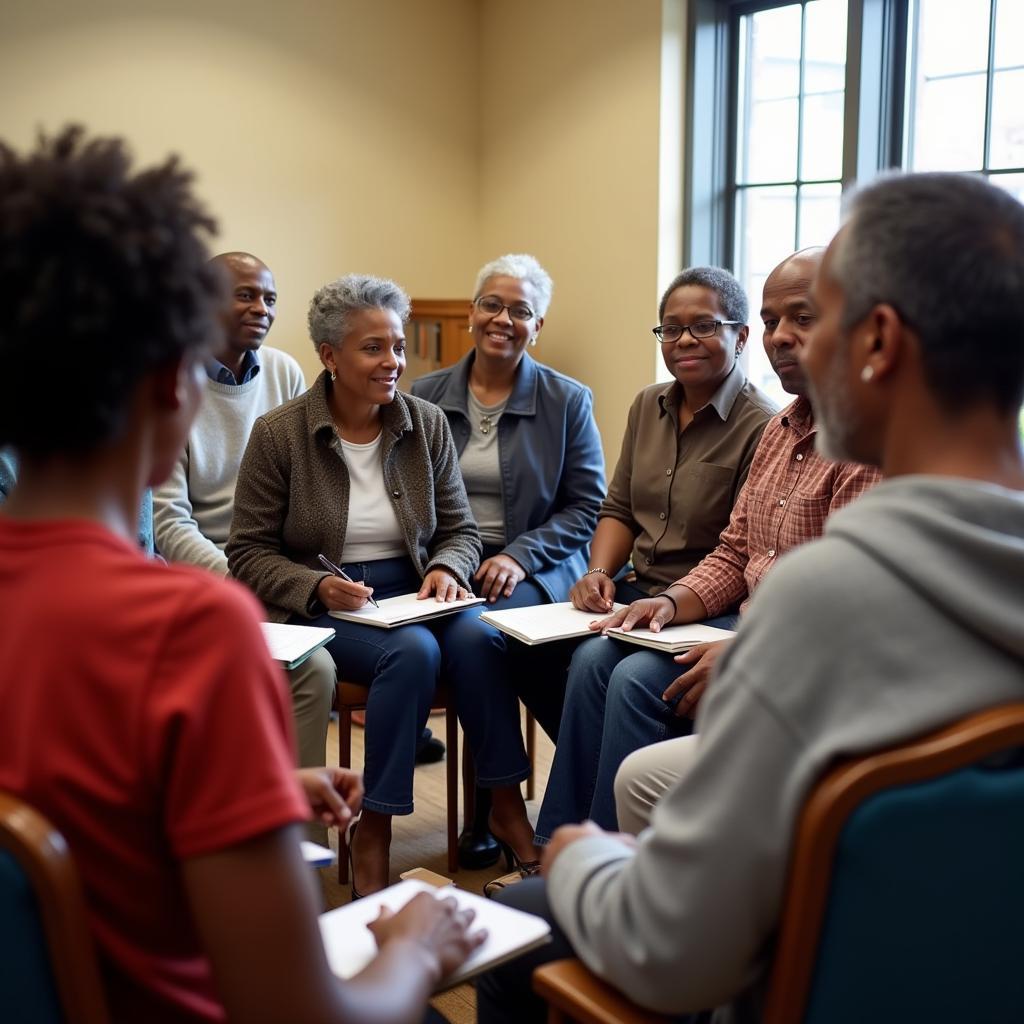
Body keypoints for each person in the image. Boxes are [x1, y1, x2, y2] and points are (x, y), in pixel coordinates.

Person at [478, 170, 1024, 1024]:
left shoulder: (831, 595)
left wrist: (582, 858)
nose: (787, 345)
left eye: (817, 320)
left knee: (499, 933)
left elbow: (670, 951)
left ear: (876, 342)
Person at [0, 126, 481, 1024]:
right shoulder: (187, 630)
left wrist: (244, 793)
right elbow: (304, 1013)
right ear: (175, 387)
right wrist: (417, 947)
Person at [227, 273, 539, 897]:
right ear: (330, 356)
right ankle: (376, 828)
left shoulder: (424, 423)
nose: (393, 362)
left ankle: (506, 804)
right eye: (374, 348)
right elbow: (247, 552)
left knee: (480, 639)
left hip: (416, 589)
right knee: (414, 652)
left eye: (397, 347)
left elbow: (460, 529)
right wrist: (314, 587)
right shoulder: (280, 433)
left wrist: (449, 566)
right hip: (329, 599)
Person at [535, 264, 799, 838]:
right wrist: (598, 572)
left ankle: (606, 852)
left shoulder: (765, 424)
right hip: (648, 594)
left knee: (611, 672)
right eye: (670, 329)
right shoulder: (647, 405)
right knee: (528, 652)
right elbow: (620, 508)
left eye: (702, 327)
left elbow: (738, 556)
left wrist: (677, 605)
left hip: (716, 610)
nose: (683, 341)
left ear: (739, 337)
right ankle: (559, 839)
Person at [411, 252, 606, 866]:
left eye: (520, 310)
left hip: (537, 571)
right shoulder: (423, 395)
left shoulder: (567, 400)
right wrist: (446, 558)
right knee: (473, 638)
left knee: (479, 636)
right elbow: (409, 499)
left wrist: (520, 557)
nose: (503, 319)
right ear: (471, 313)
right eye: (492, 304)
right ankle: (505, 808)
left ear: (538, 326)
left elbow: (585, 507)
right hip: (449, 566)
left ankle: (502, 809)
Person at [152, 250, 340, 774]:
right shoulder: (169, 383)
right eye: (246, 295)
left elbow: (311, 480)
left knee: (339, 657)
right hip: (207, 579)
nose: (262, 308)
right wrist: (244, 579)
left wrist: (279, 574)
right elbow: (168, 522)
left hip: (274, 569)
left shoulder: (282, 370)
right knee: (312, 666)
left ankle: (303, 842)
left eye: (270, 298)